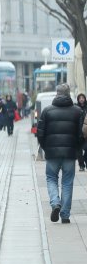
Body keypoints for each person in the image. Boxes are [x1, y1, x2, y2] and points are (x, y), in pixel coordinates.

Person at [37, 83, 83, 224]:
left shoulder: (47, 111)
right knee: (67, 183)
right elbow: (81, 134)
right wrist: (77, 148)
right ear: (69, 94)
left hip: (52, 153)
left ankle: (55, 202)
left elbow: (40, 133)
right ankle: (65, 215)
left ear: (57, 93)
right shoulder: (77, 111)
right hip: (70, 153)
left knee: (51, 178)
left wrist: (46, 148)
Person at [78, 93, 87, 171]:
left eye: (82, 98)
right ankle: (81, 165)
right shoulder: (76, 108)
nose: (81, 99)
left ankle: (85, 160)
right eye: (80, 98)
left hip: (86, 132)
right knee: (79, 150)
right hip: (78, 132)